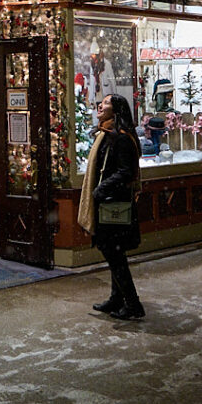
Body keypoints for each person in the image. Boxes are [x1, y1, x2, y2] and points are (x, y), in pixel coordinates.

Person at [78, 93, 145, 320]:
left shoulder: (121, 138)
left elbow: (126, 172)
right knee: (113, 254)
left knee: (115, 255)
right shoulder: (107, 135)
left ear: (115, 111)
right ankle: (117, 298)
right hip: (108, 204)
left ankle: (133, 304)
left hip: (114, 205)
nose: (100, 105)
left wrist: (101, 189)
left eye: (105, 103)